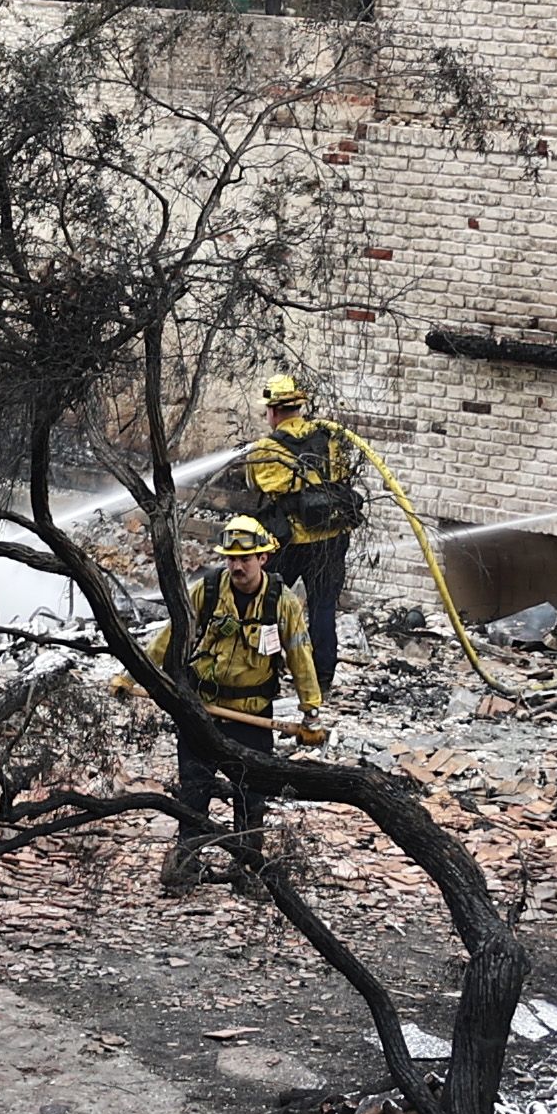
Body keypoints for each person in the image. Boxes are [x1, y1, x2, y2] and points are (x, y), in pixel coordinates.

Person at [162, 512, 329, 892]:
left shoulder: (282, 604)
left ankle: (247, 868)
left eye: (245, 559)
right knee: (194, 788)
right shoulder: (206, 592)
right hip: (202, 712)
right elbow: (172, 634)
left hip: (253, 717)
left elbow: (301, 657)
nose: (237, 566)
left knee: (251, 795)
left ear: (263, 559)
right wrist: (132, 674)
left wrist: (311, 713)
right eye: (231, 559)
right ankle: (186, 865)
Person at [238, 370, 386, 693]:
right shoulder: (330, 438)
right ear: (299, 407)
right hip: (331, 540)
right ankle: (322, 679)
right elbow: (344, 474)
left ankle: (265, 670)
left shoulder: (266, 449)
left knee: (269, 604)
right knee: (322, 608)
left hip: (290, 542)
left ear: (274, 412)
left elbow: (255, 485)